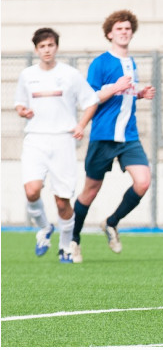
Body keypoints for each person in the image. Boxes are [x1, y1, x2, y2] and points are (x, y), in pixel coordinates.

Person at [70, 10, 156, 263]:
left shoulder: (132, 63)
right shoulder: (100, 63)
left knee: (143, 182)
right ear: (109, 33)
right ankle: (73, 240)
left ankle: (111, 222)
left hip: (129, 136)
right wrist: (113, 89)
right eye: (119, 28)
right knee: (90, 191)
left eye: (128, 28)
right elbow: (90, 97)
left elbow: (124, 95)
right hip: (104, 135)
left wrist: (139, 93)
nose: (124, 32)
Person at [14, 28, 99, 263]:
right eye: (42, 47)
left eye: (50, 45)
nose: (47, 50)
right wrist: (23, 110)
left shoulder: (70, 74)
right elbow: (20, 104)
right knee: (31, 190)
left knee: (62, 201)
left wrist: (81, 124)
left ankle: (65, 246)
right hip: (35, 139)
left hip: (62, 140)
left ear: (56, 47)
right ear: (36, 50)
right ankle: (43, 229)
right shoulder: (27, 75)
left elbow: (91, 101)